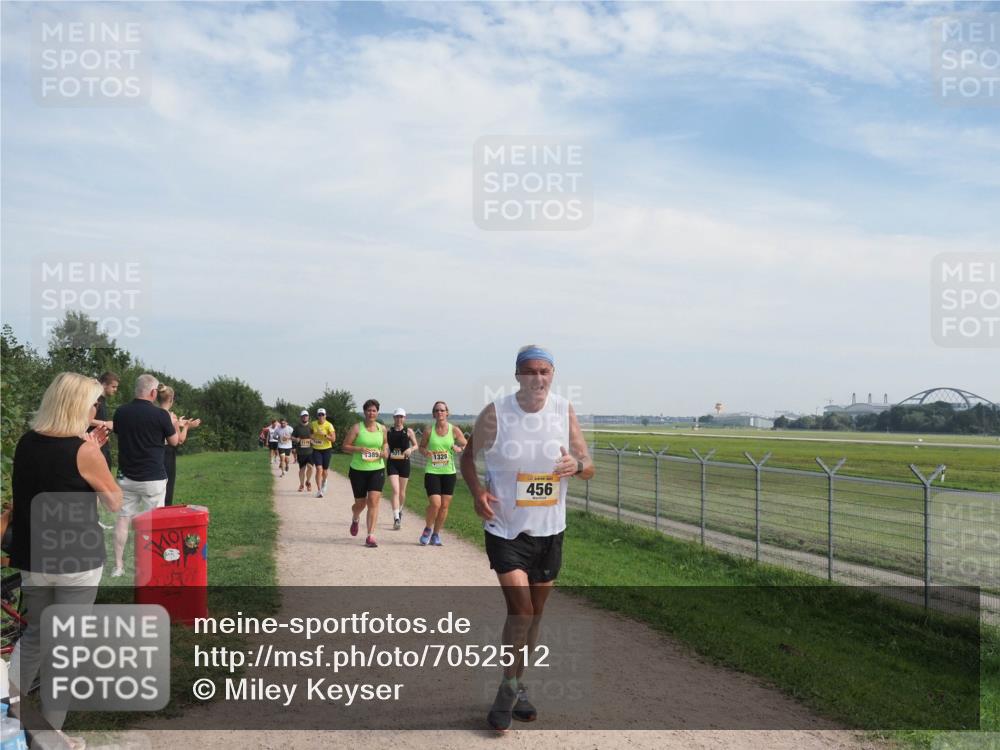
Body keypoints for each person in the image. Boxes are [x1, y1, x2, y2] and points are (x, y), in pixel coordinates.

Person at [460, 345, 593, 732]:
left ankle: (517, 683)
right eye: (530, 371)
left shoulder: (564, 410)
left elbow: (589, 467)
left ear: (553, 375)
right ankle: (506, 691)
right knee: (520, 611)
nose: (538, 378)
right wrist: (476, 492)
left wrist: (578, 464)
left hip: (550, 529)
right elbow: (468, 458)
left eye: (545, 371)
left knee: (535, 614)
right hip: (505, 528)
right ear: (517, 374)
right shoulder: (495, 413)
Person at [7, 372, 123, 750]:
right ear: (78, 406)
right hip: (75, 559)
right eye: (93, 403)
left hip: (34, 555)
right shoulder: (85, 450)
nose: (96, 409)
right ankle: (50, 738)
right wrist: (97, 451)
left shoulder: (26, 443)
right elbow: (114, 501)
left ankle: (11, 721)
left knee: (37, 635)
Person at [111, 373, 178, 577]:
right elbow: (174, 442)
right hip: (153, 478)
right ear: (152, 392)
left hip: (126, 476)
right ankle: (150, 565)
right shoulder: (161, 415)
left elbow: (119, 433)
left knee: (123, 520)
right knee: (153, 523)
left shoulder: (121, 412)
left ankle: (118, 566)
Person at [418, 401, 467, 545]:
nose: (440, 413)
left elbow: (465, 443)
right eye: (437, 410)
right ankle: (428, 528)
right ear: (434, 414)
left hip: (449, 472)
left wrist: (459, 448)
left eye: (442, 410)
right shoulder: (429, 431)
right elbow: (421, 447)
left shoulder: (454, 430)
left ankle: (436, 534)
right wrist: (425, 451)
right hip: (432, 471)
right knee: (435, 504)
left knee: (444, 506)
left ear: (447, 413)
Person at [342, 399, 387, 548]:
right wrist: (359, 449)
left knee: (373, 501)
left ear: (377, 412)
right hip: (358, 471)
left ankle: (370, 535)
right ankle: (355, 517)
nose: (371, 413)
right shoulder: (357, 428)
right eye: (369, 410)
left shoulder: (382, 429)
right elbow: (345, 446)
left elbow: (385, 443)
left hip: (377, 469)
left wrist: (385, 451)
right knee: (360, 504)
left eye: (374, 410)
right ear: (364, 412)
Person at [156, 384, 201, 506]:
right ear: (171, 400)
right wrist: (186, 427)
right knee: (168, 487)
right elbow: (179, 440)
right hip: (167, 454)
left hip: (155, 453)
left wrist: (179, 423)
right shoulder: (171, 416)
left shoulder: (153, 414)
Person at [386, 408, 417, 530]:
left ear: (404, 418)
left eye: (401, 417)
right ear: (393, 418)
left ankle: (400, 510)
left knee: (402, 492)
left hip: (404, 463)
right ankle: (396, 518)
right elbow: (384, 444)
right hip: (392, 463)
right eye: (397, 417)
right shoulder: (389, 431)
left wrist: (411, 449)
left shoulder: (408, 431)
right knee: (395, 490)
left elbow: (416, 445)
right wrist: (385, 450)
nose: (399, 419)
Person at [88, 371, 119, 470]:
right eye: (113, 387)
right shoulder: (95, 400)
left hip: (102, 444)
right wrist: (105, 423)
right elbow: (85, 420)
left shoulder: (102, 400)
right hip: (94, 445)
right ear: (104, 385)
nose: (115, 390)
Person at [310, 408, 336, 497]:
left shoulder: (329, 425)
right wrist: (312, 438)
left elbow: (333, 439)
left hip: (326, 449)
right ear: (317, 416)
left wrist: (324, 435)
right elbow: (310, 435)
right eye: (319, 415)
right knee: (318, 469)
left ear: (325, 415)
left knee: (325, 471)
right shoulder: (313, 424)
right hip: (316, 449)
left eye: (322, 415)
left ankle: (324, 481)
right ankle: (319, 490)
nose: (321, 416)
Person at [291, 410, 315, 492]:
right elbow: (292, 437)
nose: (305, 417)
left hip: (310, 451)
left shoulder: (312, 427)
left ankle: (308, 482)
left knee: (311, 467)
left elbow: (315, 437)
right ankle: (301, 484)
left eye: (306, 416)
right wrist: (296, 439)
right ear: (301, 417)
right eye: (303, 416)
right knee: (302, 469)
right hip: (301, 452)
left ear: (308, 417)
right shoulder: (297, 427)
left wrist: (313, 440)